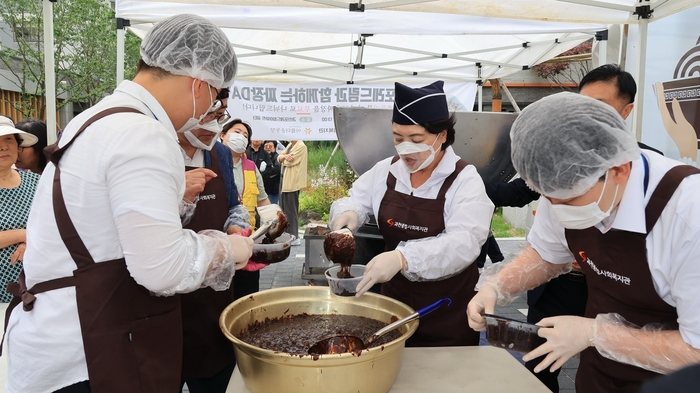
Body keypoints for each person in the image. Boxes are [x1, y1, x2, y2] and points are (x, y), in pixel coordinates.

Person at [4, 14, 254, 393]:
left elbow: (103, 226)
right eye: (216, 97)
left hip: (56, 343)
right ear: (200, 84)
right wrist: (228, 248)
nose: (209, 112)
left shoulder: (94, 119)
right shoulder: (144, 133)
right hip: (89, 354)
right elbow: (162, 268)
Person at [467, 92, 700, 392]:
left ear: (619, 170)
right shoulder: (564, 183)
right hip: (598, 376)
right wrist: (496, 286)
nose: (557, 208)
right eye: (549, 196)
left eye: (570, 199)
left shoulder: (687, 214)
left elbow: (695, 350)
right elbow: (546, 255)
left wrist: (596, 334)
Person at [523, 63, 665, 392]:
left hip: (619, 302)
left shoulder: (655, 174)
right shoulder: (558, 159)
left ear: (626, 111)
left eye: (599, 108)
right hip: (564, 289)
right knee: (541, 362)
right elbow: (542, 244)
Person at [329, 81, 493, 347]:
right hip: (393, 305)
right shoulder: (386, 171)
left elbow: (465, 241)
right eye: (398, 138)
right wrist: (348, 215)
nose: (405, 148)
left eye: (416, 140)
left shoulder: (464, 180)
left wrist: (403, 258)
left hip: (447, 309)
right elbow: (355, 199)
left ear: (442, 136)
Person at [176, 87, 252, 393]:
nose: (214, 127)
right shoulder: (160, 152)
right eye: (209, 115)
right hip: (170, 298)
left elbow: (234, 204)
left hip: (214, 296)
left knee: (215, 378)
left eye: (220, 117)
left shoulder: (219, 153)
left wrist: (236, 228)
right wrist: (179, 198)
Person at [221, 119, 271, 299]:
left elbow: (263, 200)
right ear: (222, 135)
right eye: (237, 132)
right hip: (221, 243)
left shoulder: (251, 166)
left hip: (248, 241)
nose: (241, 137)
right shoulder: (212, 164)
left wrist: (276, 218)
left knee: (247, 294)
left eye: (245, 135)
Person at [0, 116, 40, 303]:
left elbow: (52, 226)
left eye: (8, 139)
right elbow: (36, 231)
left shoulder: (37, 183)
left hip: (36, 286)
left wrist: (28, 242)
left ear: (18, 145)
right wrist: (25, 234)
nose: (3, 147)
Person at [278, 139, 307, 246]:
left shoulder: (301, 146)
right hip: (284, 180)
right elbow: (279, 157)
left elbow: (290, 162)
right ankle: (286, 234)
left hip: (292, 182)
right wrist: (283, 157)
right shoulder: (291, 145)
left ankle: (294, 235)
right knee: (283, 209)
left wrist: (283, 158)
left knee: (291, 210)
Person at [263, 140, 281, 204]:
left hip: (273, 191)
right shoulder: (262, 157)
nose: (268, 147)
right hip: (263, 190)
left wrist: (264, 173)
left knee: (270, 208)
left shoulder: (277, 157)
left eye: (270, 146)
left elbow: (277, 169)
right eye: (266, 146)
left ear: (275, 147)